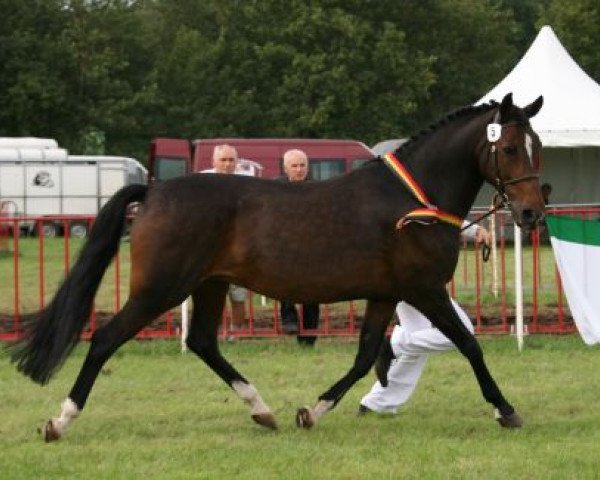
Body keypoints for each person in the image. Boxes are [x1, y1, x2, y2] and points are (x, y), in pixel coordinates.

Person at [358, 222, 491, 414]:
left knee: (418, 339)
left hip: (404, 276)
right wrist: (474, 230)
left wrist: (475, 230)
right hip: (416, 279)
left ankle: (377, 403)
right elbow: (436, 210)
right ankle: (392, 345)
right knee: (462, 332)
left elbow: (436, 211)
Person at [202, 144, 248, 331]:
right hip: (209, 248)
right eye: (223, 160)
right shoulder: (203, 181)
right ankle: (213, 332)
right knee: (209, 296)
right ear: (213, 161)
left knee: (238, 296)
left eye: (231, 160)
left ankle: (236, 333)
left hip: (239, 249)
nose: (228, 164)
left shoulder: (247, 182)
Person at [278, 149, 321, 346]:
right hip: (284, 246)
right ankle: (289, 320)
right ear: (286, 168)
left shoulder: (317, 189)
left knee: (312, 291)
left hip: (311, 247)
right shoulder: (274, 188)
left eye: (302, 165)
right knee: (285, 285)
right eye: (294, 166)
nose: (299, 169)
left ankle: (309, 337)